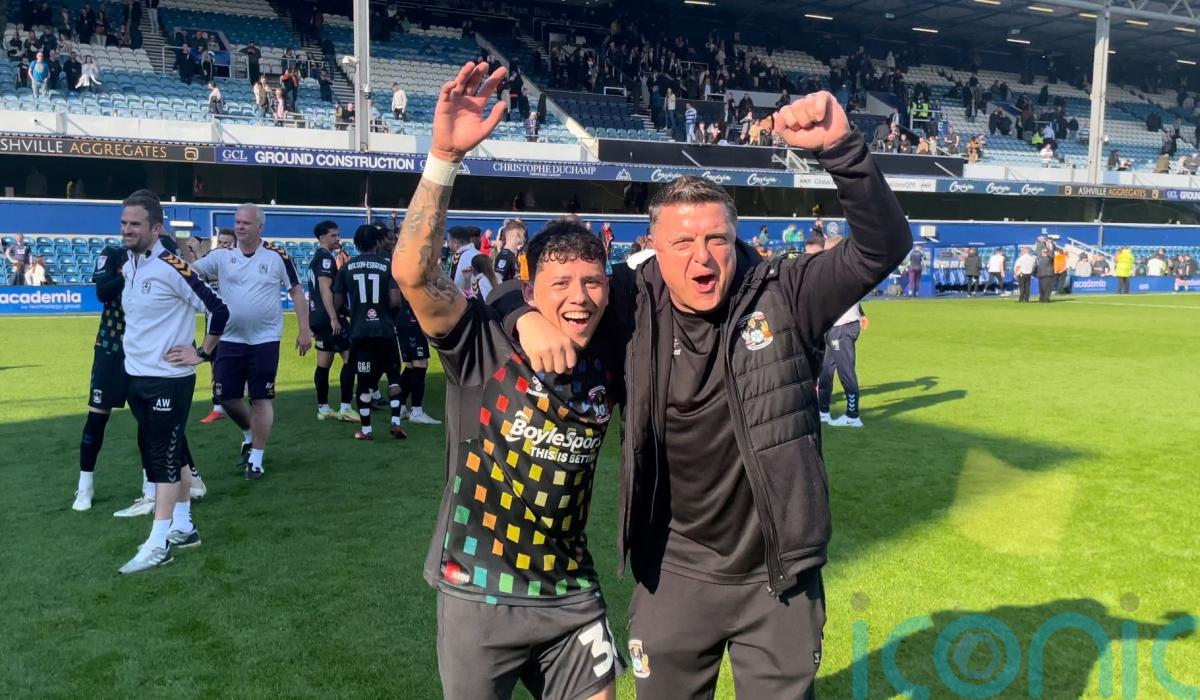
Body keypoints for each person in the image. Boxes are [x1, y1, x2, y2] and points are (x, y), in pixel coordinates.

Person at [512, 89, 912, 698]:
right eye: (682, 243)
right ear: (654, 247)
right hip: (672, 575)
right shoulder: (627, 301)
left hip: (776, 579)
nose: (702, 257)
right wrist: (523, 315)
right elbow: (501, 302)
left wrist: (842, 149)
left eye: (717, 240)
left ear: (735, 238)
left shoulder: (786, 292)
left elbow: (883, 246)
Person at [391, 61, 623, 700]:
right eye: (560, 284)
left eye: (593, 282)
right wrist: (444, 159)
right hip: (478, 590)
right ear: (532, 287)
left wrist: (517, 302)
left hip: (570, 590)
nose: (579, 298)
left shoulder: (613, 348)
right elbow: (414, 274)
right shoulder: (483, 344)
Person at [115, 190, 228, 574]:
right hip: (136, 375)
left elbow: (218, 309)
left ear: (157, 228)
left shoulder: (173, 267)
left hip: (168, 380)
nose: (127, 230)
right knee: (168, 452)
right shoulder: (130, 264)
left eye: (135, 224)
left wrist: (203, 353)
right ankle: (183, 526)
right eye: (124, 223)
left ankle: (158, 542)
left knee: (162, 459)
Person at [188, 204, 312, 480]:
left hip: (265, 339)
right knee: (226, 396)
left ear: (260, 227)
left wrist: (304, 329)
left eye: (246, 222)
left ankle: (256, 458)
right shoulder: (222, 256)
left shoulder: (277, 256)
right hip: (230, 337)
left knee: (261, 397)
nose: (240, 226)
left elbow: (296, 291)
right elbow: (189, 272)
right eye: (237, 222)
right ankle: (248, 433)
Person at [332, 224, 407, 440]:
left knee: (364, 382)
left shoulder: (347, 268)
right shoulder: (387, 266)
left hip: (360, 333)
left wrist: (351, 313)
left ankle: (366, 430)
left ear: (356, 244)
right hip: (385, 330)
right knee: (393, 377)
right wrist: (388, 315)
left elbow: (337, 302)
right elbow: (395, 300)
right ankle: (395, 422)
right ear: (378, 242)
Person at [308, 220, 358, 423]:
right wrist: (333, 318)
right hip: (329, 318)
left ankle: (323, 408)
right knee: (351, 359)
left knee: (323, 363)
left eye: (338, 235)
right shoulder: (325, 259)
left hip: (318, 317)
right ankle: (345, 407)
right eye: (333, 235)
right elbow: (324, 288)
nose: (338, 238)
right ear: (322, 238)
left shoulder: (317, 257)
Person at [817, 235, 868, 428]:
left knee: (845, 371)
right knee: (825, 371)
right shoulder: (842, 269)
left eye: (828, 250)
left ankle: (853, 415)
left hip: (842, 327)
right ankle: (823, 411)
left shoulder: (843, 270)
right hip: (834, 326)